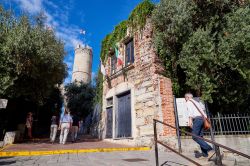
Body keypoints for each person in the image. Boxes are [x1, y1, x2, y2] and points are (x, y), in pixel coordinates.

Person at [185, 93, 214, 159]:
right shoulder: (197, 102)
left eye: (185, 98)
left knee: (194, 136)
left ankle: (210, 149)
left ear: (187, 97)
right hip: (202, 119)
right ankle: (205, 154)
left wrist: (190, 121)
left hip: (197, 119)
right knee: (200, 137)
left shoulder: (189, 102)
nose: (185, 99)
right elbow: (203, 112)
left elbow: (190, 112)